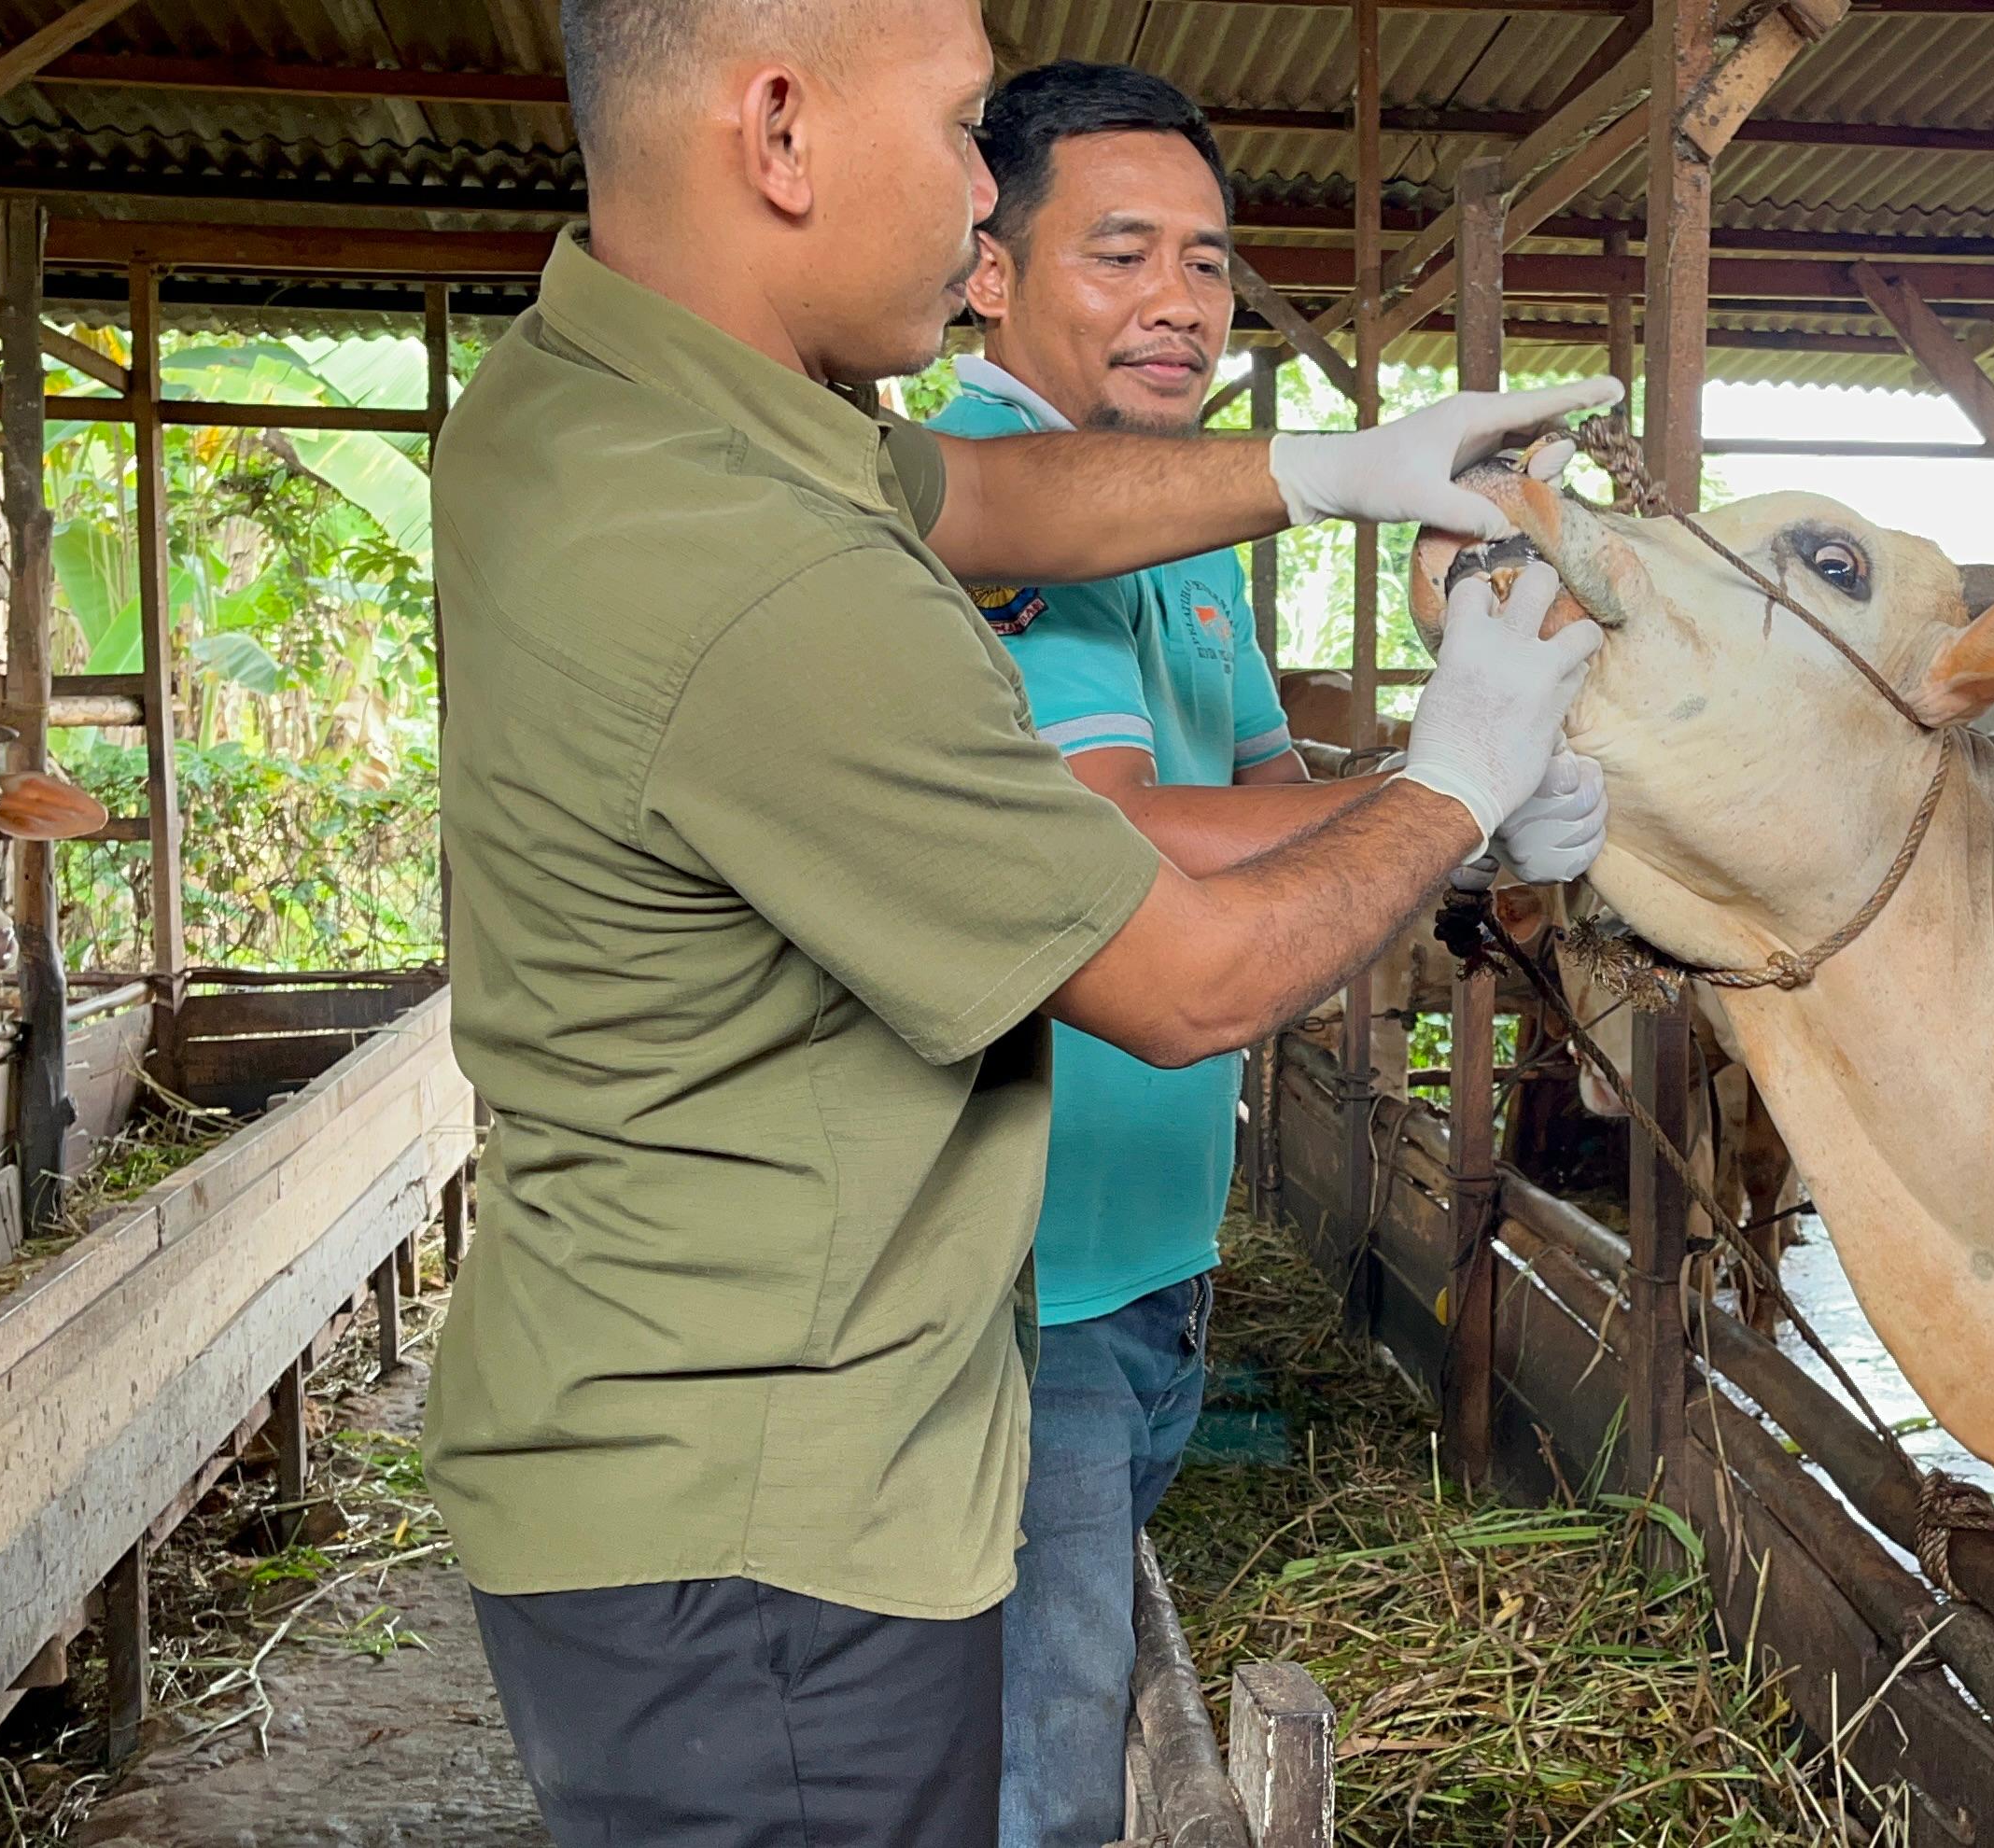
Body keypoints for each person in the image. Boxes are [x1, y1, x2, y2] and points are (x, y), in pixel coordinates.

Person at [417, 2, 1613, 1844]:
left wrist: (1328, 468)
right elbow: (1182, 979)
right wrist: (1452, 786)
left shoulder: (614, 397)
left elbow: (978, 496)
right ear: (783, 134)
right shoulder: (750, 566)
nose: (984, 194)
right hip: (771, 1536)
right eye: (971, 131)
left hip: (671, 1438)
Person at [926, 62, 1605, 1848]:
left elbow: (1262, 784)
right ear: (985, 269)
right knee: (1044, 1783)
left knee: (1070, 1694)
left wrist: (1453, 798)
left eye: (1211, 266)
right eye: (1122, 253)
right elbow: (1124, 839)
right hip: (1024, 1284)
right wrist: (1455, 788)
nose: (1181, 304)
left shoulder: (1186, 525)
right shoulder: (984, 507)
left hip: (1149, 1249)